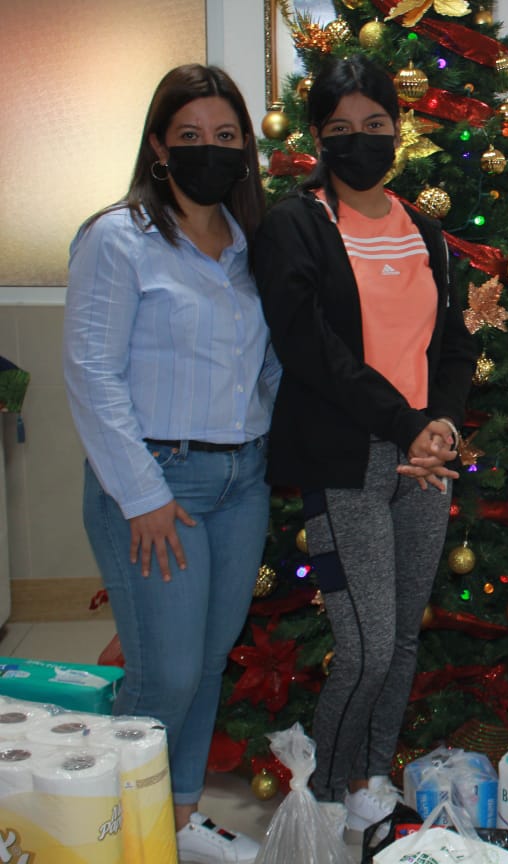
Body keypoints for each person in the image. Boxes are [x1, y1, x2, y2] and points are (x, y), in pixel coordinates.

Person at [254, 55, 475, 830]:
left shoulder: (425, 230)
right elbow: (314, 352)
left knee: (402, 638)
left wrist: (440, 424)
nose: (360, 140)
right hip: (349, 456)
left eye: (375, 126)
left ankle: (369, 781)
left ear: (397, 131)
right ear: (319, 136)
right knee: (365, 649)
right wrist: (407, 425)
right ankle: (318, 794)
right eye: (342, 128)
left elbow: (452, 346)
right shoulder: (295, 224)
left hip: (425, 461)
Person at [65, 64, 275, 864]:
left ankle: (177, 821)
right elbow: (91, 373)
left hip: (240, 482)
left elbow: (266, 366)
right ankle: (109, 832)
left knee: (209, 663)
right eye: (190, 137)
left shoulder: (250, 244)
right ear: (159, 147)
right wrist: (142, 496)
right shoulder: (119, 238)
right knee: (167, 673)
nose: (210, 150)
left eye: (226, 137)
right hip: (158, 487)